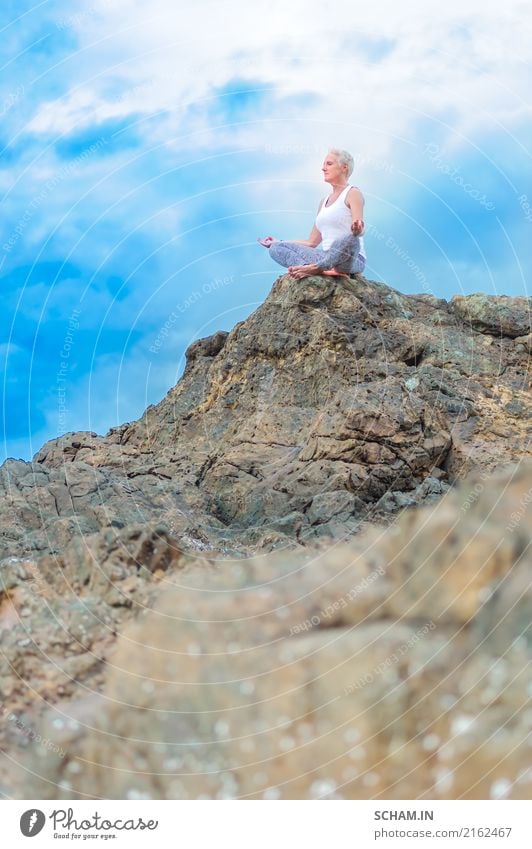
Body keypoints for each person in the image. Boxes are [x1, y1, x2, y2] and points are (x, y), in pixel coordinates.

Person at [258, 148, 366, 280]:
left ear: (344, 167)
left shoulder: (352, 192)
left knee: (349, 238)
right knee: (275, 248)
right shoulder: (323, 202)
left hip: (350, 258)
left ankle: (319, 269)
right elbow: (311, 242)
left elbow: (359, 229)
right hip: (326, 258)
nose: (323, 168)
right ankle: (307, 268)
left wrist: (358, 229)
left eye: (329, 164)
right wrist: (279, 241)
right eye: (324, 164)